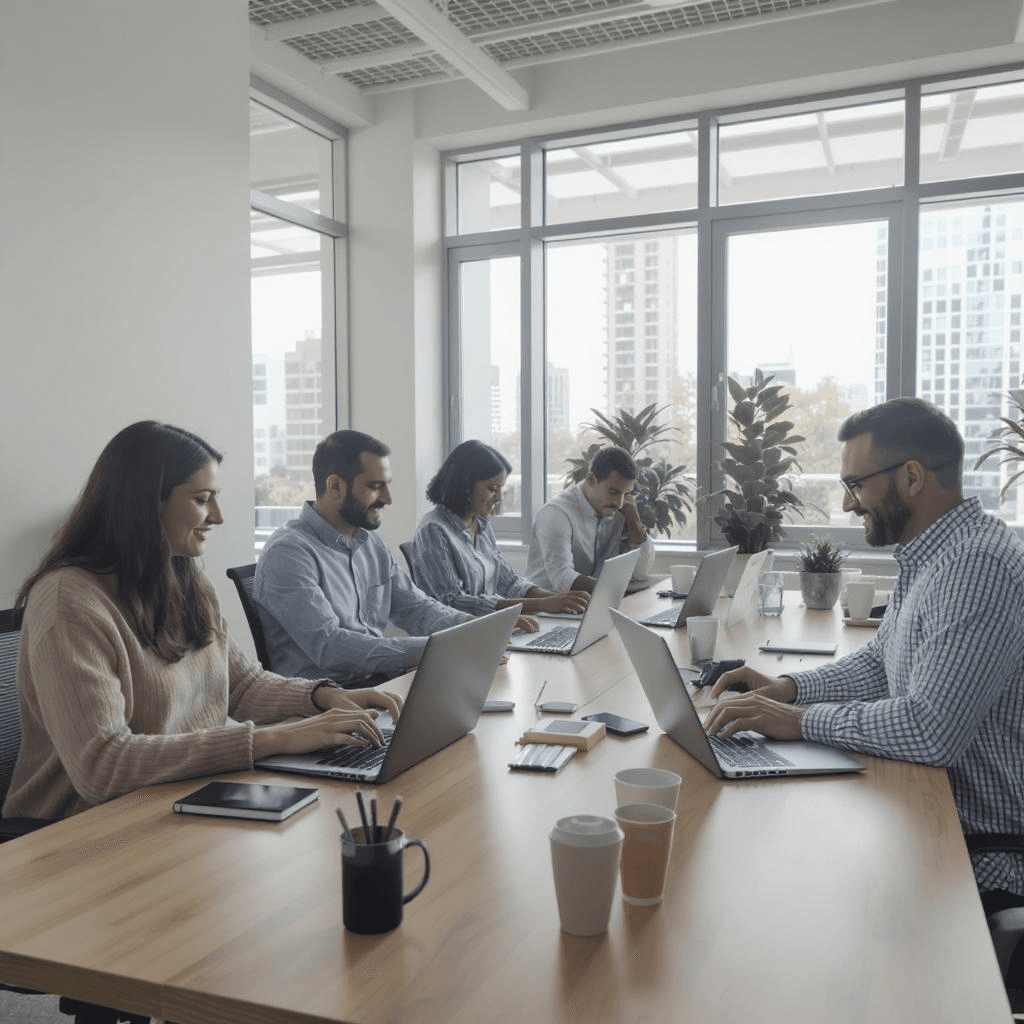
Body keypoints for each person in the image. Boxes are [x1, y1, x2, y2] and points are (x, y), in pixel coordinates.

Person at [703, 398, 1024, 932]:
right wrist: (786, 689)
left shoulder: (976, 564)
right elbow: (881, 665)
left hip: (977, 854)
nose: (850, 504)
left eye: (856, 485)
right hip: (924, 814)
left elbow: (931, 728)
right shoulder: (934, 554)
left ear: (913, 477)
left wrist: (799, 722)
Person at [3, 421, 402, 825]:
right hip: (78, 833)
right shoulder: (67, 603)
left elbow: (241, 686)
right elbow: (102, 766)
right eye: (201, 499)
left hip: (181, 802)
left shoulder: (185, 578)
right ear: (145, 503)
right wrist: (275, 739)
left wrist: (323, 698)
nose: (218, 516)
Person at [254, 429, 470, 684]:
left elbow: (415, 608)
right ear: (335, 486)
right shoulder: (288, 554)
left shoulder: (371, 543)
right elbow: (330, 646)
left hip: (378, 684)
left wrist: (471, 627)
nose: (388, 499)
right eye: (375, 486)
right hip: (328, 703)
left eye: (387, 485)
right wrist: (434, 650)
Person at [408, 440, 589, 632]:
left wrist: (554, 599)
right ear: (465, 486)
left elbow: (510, 581)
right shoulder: (433, 530)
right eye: (493, 488)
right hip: (455, 637)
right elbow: (453, 602)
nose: (500, 498)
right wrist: (541, 604)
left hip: (488, 630)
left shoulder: (480, 524)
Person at [525, 445, 654, 594]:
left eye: (626, 494)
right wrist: (613, 591)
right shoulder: (555, 513)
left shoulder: (620, 510)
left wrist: (635, 522)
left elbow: (640, 574)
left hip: (592, 605)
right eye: (613, 492)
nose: (619, 502)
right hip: (546, 609)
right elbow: (562, 578)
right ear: (591, 479)